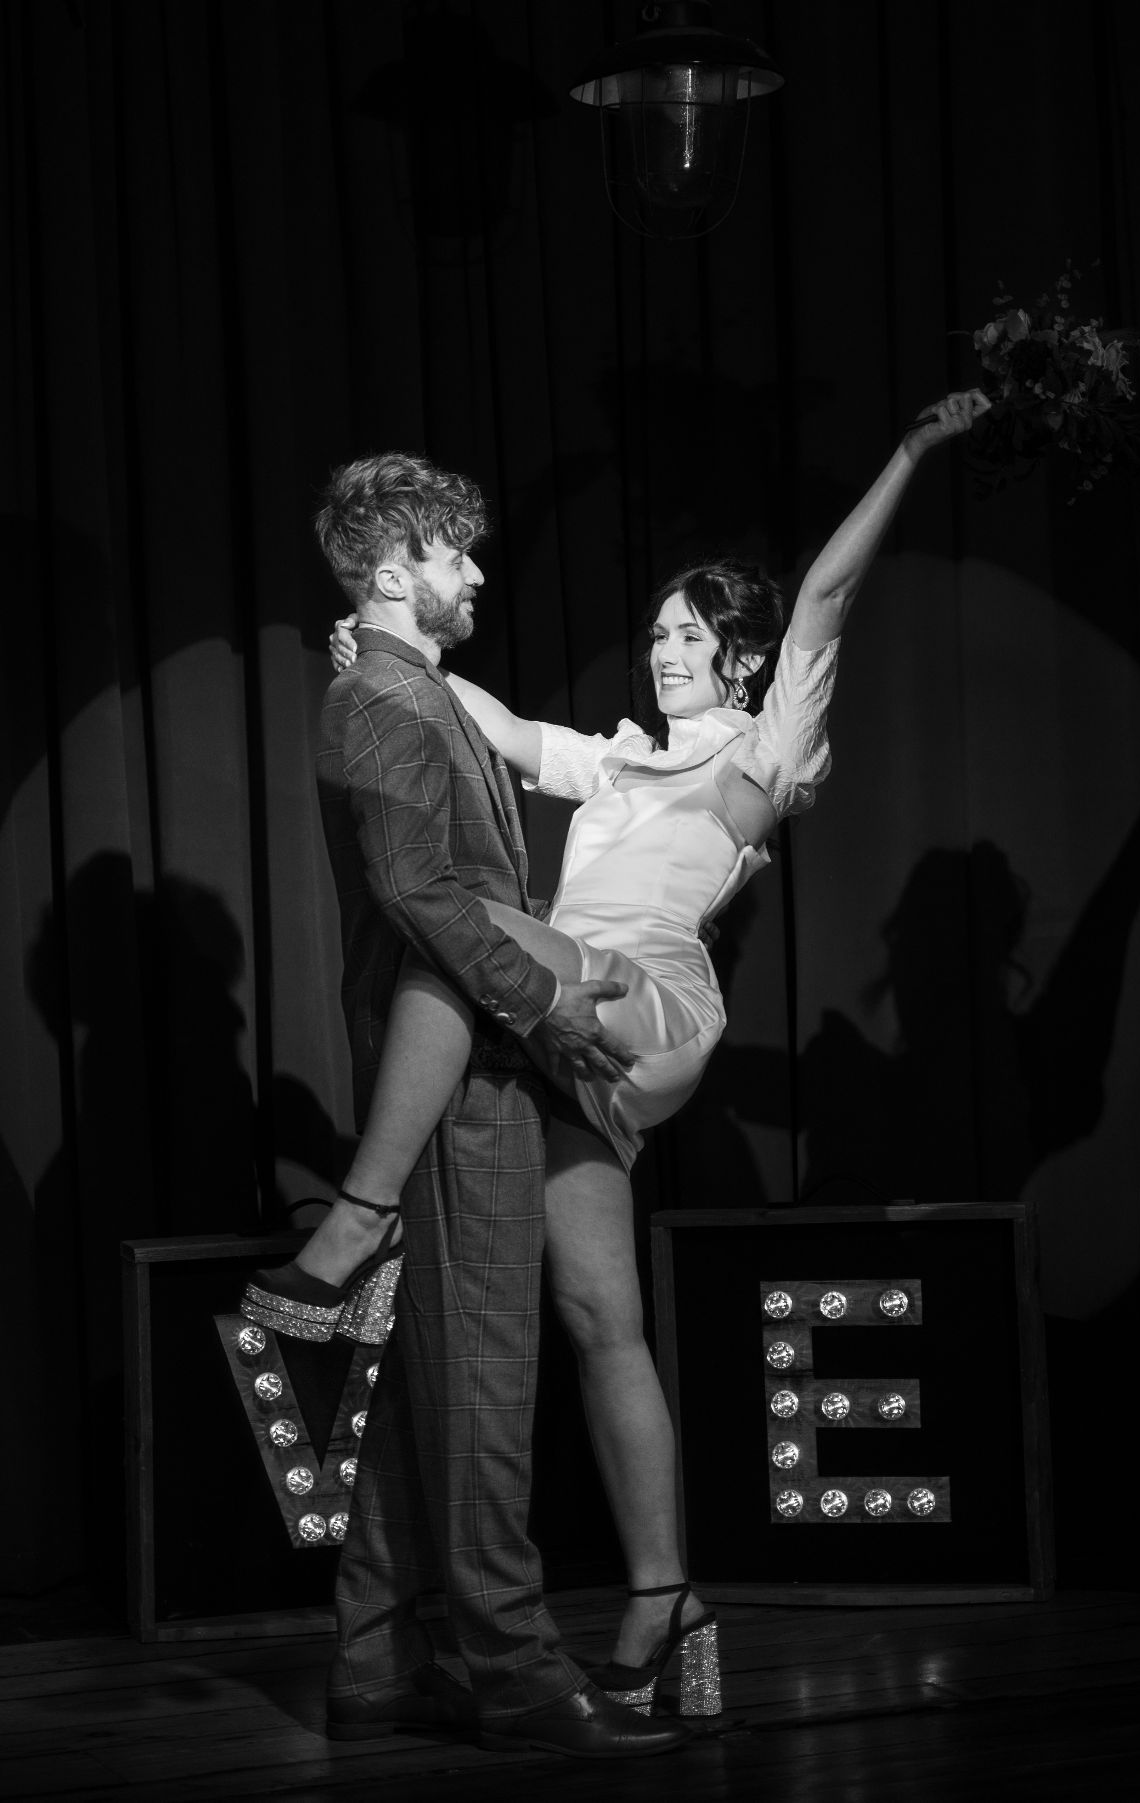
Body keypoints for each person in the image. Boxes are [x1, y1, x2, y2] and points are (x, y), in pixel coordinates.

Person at [255, 390, 989, 1724]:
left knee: (454, 919)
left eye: (691, 635)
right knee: (603, 1320)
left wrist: (910, 451)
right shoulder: (617, 763)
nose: (665, 651)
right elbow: (478, 722)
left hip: (646, 1003)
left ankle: (359, 1208)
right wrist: (376, 634)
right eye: (655, 633)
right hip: (565, 1031)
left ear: (745, 662)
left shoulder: (766, 750)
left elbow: (826, 596)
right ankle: (665, 1599)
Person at [244, 452, 691, 1759]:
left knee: (430, 1368)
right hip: (455, 1069)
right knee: (486, 1367)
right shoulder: (384, 700)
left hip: (469, 1054)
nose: (479, 573)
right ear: (396, 571)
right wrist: (544, 1000)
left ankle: (377, 1655)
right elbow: (420, 896)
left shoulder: (406, 688)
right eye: (457, 555)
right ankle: (514, 1668)